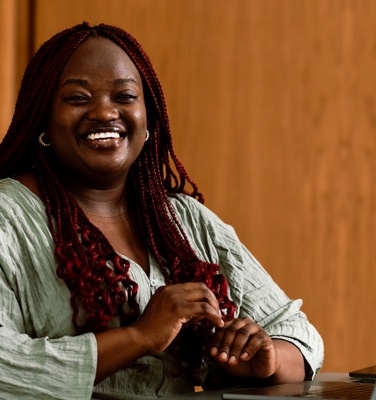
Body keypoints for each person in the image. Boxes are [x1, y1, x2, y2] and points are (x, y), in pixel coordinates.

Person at [0, 22, 323, 400]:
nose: (105, 112)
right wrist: (138, 337)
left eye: (124, 96)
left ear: (148, 119)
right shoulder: (10, 215)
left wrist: (265, 359)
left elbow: (298, 334)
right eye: (78, 98)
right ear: (42, 120)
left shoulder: (181, 220)